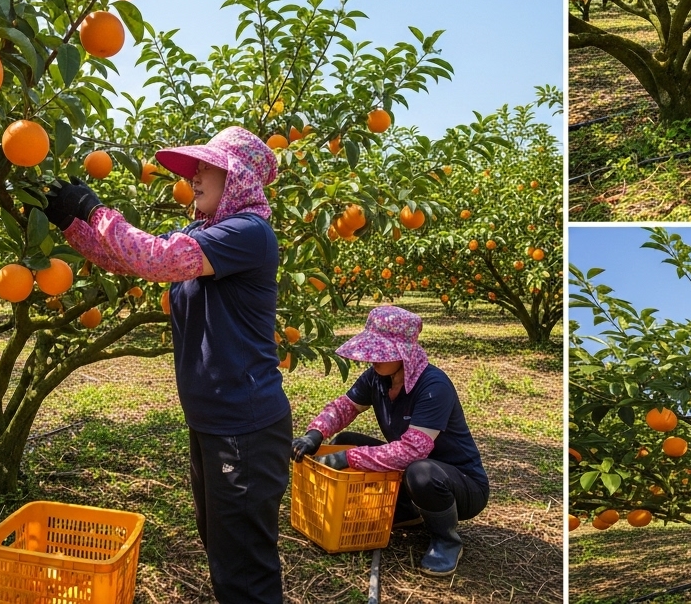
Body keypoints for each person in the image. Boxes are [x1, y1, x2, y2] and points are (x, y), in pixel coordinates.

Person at [47, 127, 288, 604]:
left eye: (207, 167)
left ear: (237, 177)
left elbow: (156, 259)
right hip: (216, 422)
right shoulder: (207, 232)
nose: (195, 177)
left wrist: (97, 210)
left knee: (244, 568)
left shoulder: (249, 233)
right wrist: (71, 226)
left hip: (245, 425)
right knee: (225, 549)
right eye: (196, 167)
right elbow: (127, 261)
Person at [291, 305, 489, 577]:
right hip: (409, 472)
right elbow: (345, 407)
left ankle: (446, 540)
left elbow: (412, 450)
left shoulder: (434, 386)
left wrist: (349, 458)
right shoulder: (377, 377)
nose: (372, 358)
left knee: (421, 472)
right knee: (347, 440)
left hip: (460, 484)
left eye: (382, 352)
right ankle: (408, 510)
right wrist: (316, 433)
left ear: (404, 353)